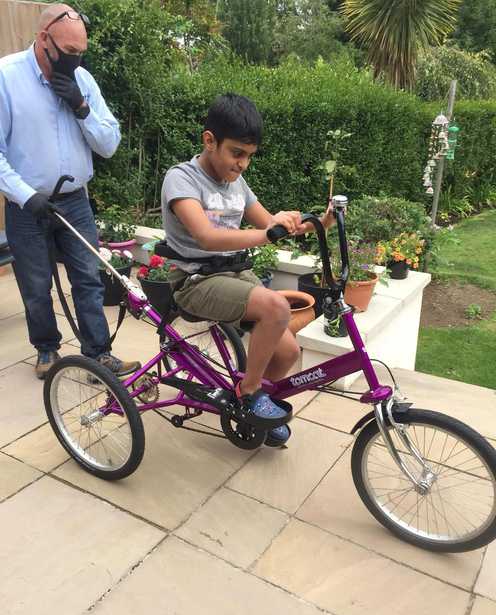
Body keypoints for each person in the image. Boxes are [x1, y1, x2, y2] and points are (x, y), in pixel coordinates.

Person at [162, 93, 335, 446]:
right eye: (237, 153)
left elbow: (269, 223)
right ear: (209, 141)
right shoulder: (181, 179)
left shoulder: (237, 183)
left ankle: (254, 411)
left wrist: (312, 222)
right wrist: (266, 234)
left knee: (287, 352)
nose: (243, 164)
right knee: (277, 308)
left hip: (235, 274)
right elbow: (207, 237)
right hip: (195, 280)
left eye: (249, 156)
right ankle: (249, 393)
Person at [0, 3, 140, 379]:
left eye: (81, 54)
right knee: (34, 285)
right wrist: (26, 194)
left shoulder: (84, 82)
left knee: (88, 278)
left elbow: (109, 143)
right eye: (69, 53)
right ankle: (47, 350)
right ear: (43, 38)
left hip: (75, 201)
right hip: (27, 205)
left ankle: (98, 352)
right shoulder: (6, 77)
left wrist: (80, 106)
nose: (75, 62)